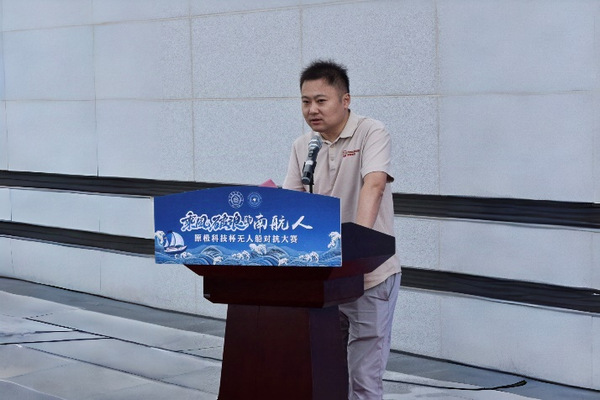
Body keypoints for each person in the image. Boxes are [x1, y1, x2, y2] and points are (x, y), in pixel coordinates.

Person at [282, 59, 401, 400]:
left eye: (321, 100)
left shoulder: (371, 132)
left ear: (345, 100)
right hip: (324, 279)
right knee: (327, 375)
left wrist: (357, 249)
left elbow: (374, 185)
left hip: (368, 275)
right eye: (306, 101)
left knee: (363, 379)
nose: (312, 110)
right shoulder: (303, 146)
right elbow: (291, 205)